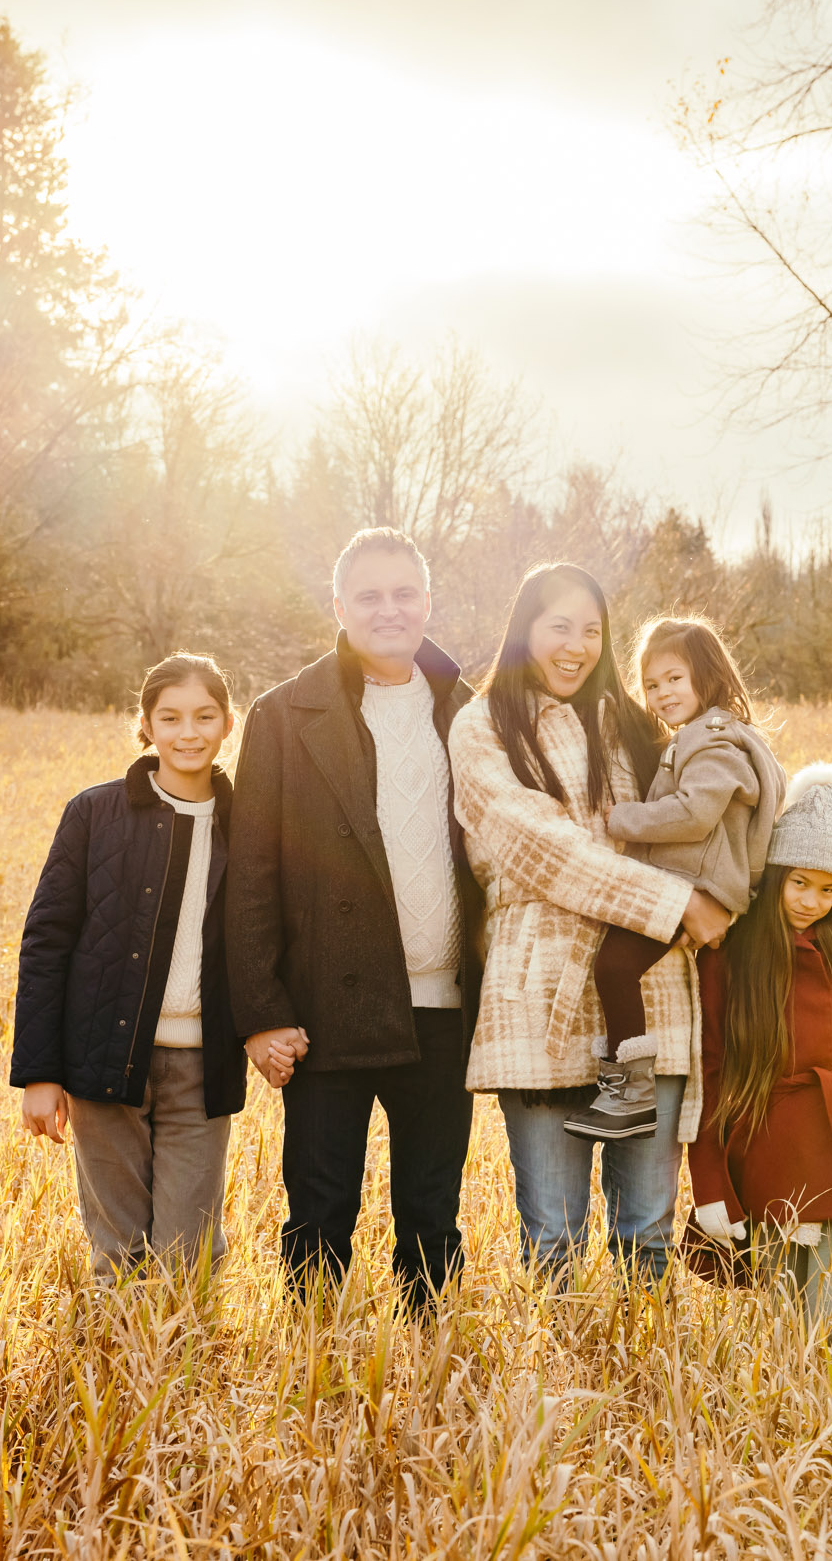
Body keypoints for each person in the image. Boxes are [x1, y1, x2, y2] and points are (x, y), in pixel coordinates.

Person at [223, 528, 485, 1314]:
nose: (389, 609)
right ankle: (315, 1377)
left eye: (405, 593)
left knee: (433, 1216)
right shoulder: (281, 713)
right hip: (323, 1013)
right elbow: (250, 879)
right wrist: (262, 1015)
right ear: (339, 607)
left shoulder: (471, 713)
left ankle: (436, 1387)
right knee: (319, 1213)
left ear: (428, 603)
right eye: (368, 595)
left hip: (442, 1010)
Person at [450, 564, 734, 1280]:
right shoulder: (483, 725)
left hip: (650, 988)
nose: (575, 645)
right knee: (553, 1237)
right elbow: (542, 847)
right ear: (525, 630)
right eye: (558, 626)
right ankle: (560, 1388)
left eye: (591, 629)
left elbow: (716, 797)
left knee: (648, 1232)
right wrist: (676, 905)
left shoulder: (638, 726)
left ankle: (642, 1385)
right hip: (538, 988)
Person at [10, 653, 261, 1280]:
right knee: (119, 1254)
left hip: (204, 1066)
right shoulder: (94, 814)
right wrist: (39, 1075)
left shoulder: (253, 823)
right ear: (146, 725)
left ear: (228, 723)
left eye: (205, 716)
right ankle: (116, 1372)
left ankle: (183, 1372)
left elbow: (271, 936)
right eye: (170, 717)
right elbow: (45, 943)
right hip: (105, 1058)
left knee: (187, 1257)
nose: (188, 732)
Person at [687, 763, 832, 1325]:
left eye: (828, 889)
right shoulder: (729, 953)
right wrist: (711, 1180)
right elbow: (710, 1071)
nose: (812, 901)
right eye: (799, 882)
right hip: (764, 1156)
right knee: (784, 1330)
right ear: (776, 874)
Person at [567, 617, 784, 1142]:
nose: (662, 693)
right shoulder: (695, 736)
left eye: (674, 679)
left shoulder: (712, 742)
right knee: (620, 966)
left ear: (706, 678)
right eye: (652, 684)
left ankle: (632, 1094)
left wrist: (625, 819)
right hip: (692, 880)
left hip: (695, 883)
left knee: (615, 967)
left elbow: (694, 814)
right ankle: (632, 1089)